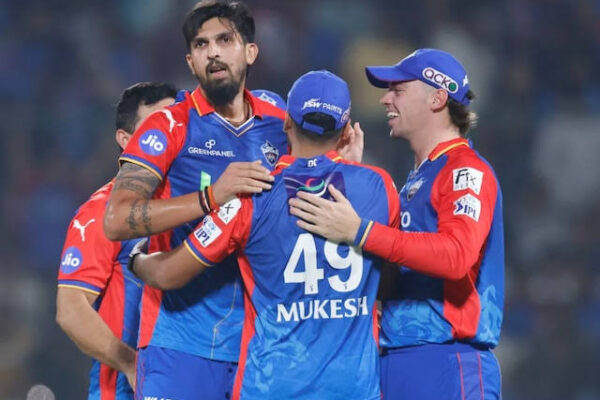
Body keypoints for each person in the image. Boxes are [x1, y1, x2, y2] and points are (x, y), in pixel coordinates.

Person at [128, 70, 400, 400]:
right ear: (345, 130)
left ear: (286, 123)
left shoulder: (250, 197)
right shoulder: (379, 187)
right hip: (353, 388)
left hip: (272, 385)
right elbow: (387, 278)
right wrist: (349, 169)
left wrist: (136, 259)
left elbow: (169, 273)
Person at [289, 49, 504, 399]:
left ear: (437, 98)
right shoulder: (415, 182)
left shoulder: (466, 171)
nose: (385, 99)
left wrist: (361, 230)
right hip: (394, 359)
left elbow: (456, 255)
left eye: (398, 90)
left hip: (446, 361)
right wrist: (351, 180)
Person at [102, 2, 289, 399]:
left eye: (225, 40)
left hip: (262, 345)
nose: (214, 52)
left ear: (250, 51)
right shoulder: (168, 126)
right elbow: (116, 219)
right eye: (202, 45)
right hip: (180, 341)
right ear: (191, 61)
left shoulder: (279, 121)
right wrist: (210, 197)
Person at [56, 82, 177, 400]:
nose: (169, 136)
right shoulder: (103, 211)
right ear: (126, 140)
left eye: (176, 123)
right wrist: (130, 363)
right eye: (157, 124)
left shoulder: (198, 203)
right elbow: (70, 310)